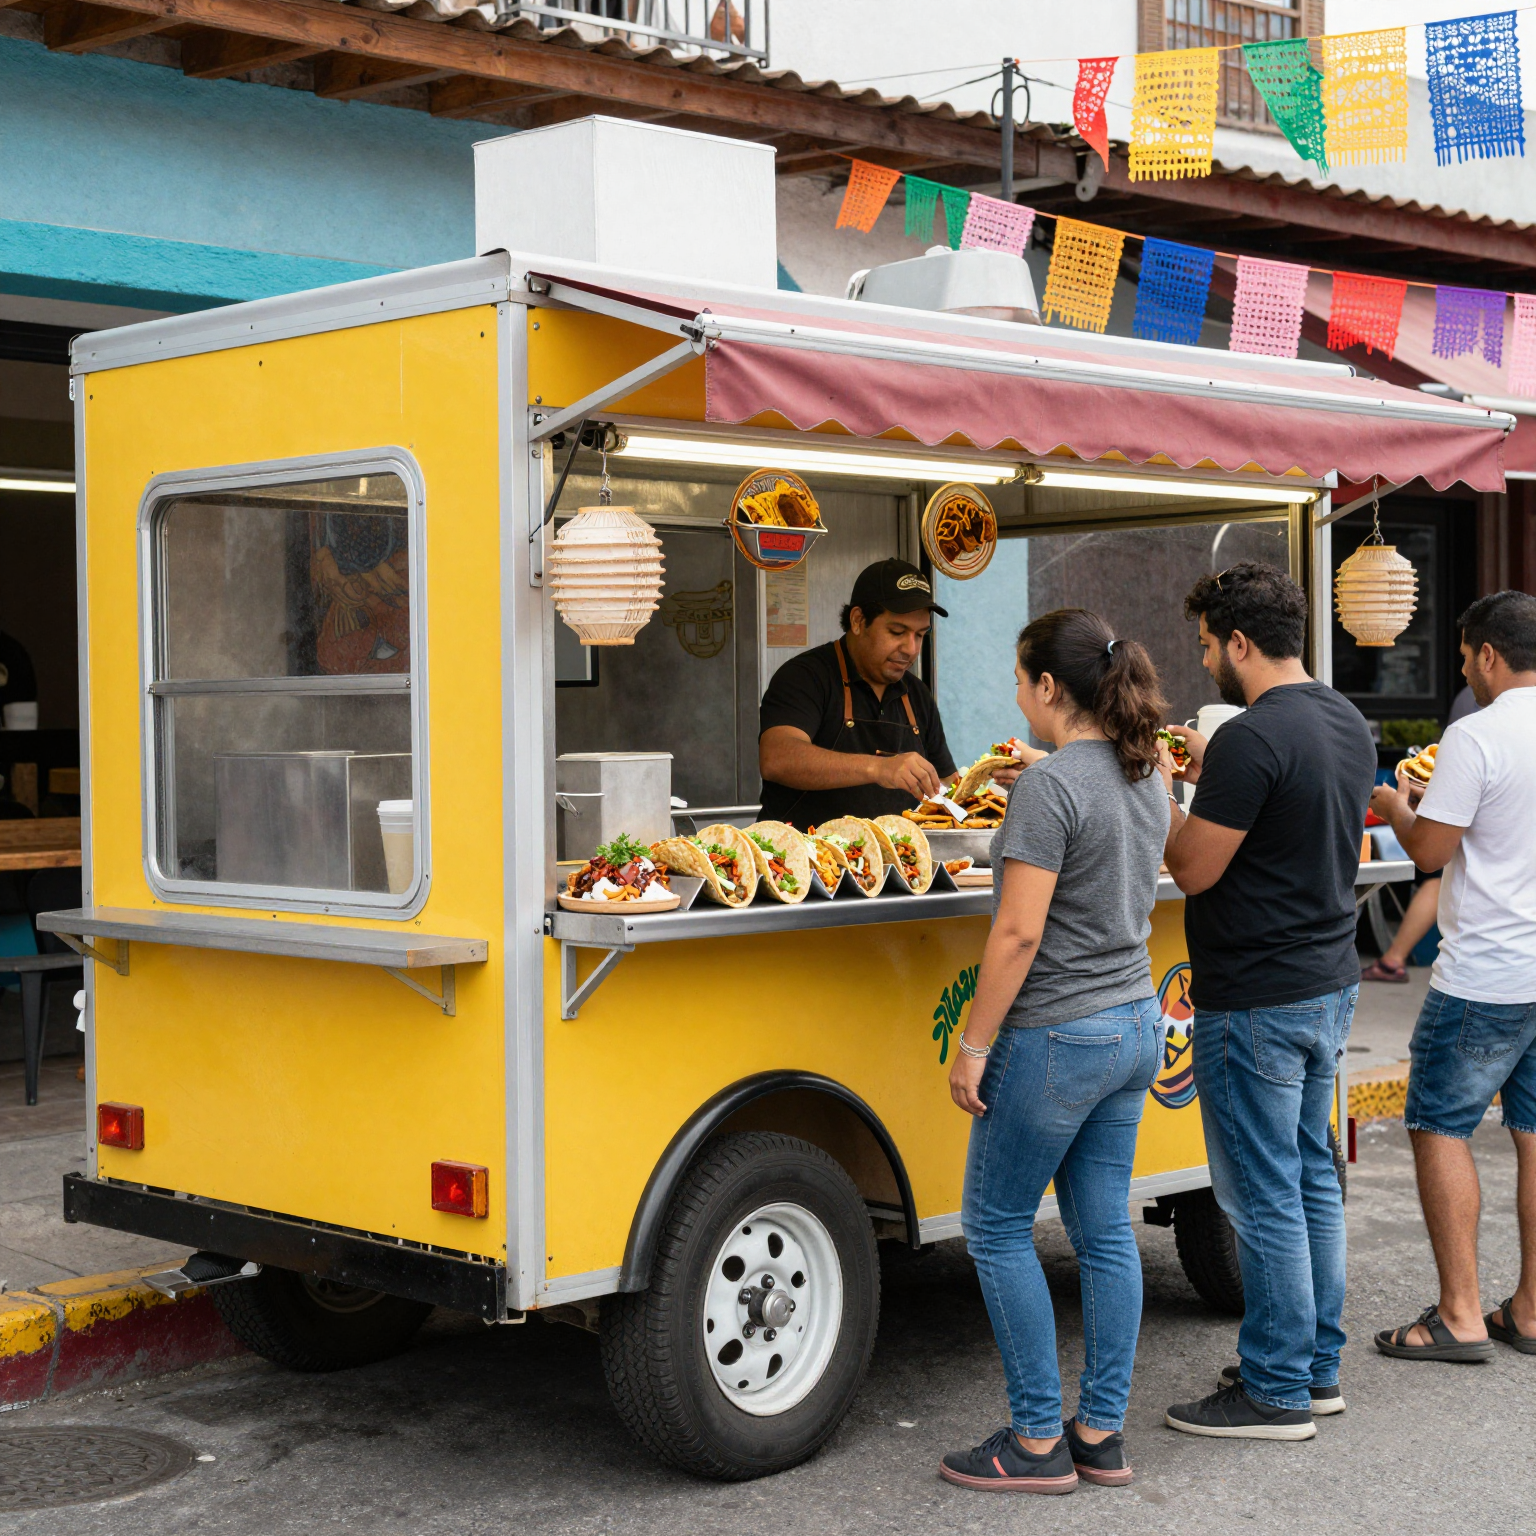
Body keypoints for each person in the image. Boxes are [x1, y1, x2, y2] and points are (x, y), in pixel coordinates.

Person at [939, 609, 1169, 1494]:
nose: (1015, 692)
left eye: (1018, 677)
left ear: (1047, 688)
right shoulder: (1145, 772)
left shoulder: (1049, 791)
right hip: (1134, 1022)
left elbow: (1017, 936)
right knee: (1106, 1230)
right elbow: (1097, 807)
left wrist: (974, 1044)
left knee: (996, 1228)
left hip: (1057, 1034)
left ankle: (1036, 1442)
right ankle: (1100, 1433)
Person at [1159, 562, 1375, 1441]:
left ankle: (1276, 1389)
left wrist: (1147, 787)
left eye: (1209, 644)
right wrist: (1214, 768)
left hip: (1254, 999)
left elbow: (1192, 866)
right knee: (1313, 1182)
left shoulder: (1252, 738)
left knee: (1264, 1196)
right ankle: (1315, 1370)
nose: (1207, 657)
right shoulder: (1345, 720)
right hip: (1327, 984)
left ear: (1239, 642)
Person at [1368, 590, 1536, 1363]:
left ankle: (1461, 1315)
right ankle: (1530, 1311)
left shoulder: (1477, 735)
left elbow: (1431, 853)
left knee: (1439, 1123)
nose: (1466, 669)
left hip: (1487, 974)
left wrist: (1397, 804)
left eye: (1467, 655)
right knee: (1534, 1135)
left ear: (1490, 655)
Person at [757, 559, 1029, 828]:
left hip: (900, 865)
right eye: (897, 631)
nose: (910, 649)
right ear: (858, 620)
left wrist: (991, 781)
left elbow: (947, 787)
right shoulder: (806, 677)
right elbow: (778, 758)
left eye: (920, 635)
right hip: (808, 864)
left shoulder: (917, 694)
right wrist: (880, 768)